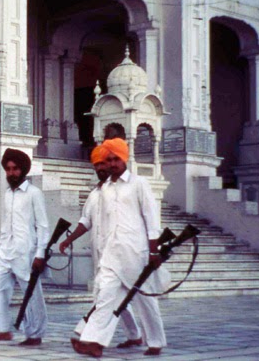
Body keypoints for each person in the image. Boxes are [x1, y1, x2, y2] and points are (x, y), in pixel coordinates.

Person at [69, 138, 169, 358]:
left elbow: (152, 220)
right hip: (111, 255)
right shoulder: (104, 189)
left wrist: (154, 251)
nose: (113, 163)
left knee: (146, 300)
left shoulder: (138, 184)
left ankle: (156, 341)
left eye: (116, 159)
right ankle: (92, 342)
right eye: (109, 159)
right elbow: (97, 222)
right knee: (104, 296)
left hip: (136, 254)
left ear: (124, 158)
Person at [59, 145, 142, 348]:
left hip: (121, 252)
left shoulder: (126, 190)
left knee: (107, 295)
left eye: (103, 163)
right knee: (114, 296)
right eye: (96, 165)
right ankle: (134, 336)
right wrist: (68, 240)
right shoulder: (95, 193)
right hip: (100, 253)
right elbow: (85, 221)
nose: (100, 168)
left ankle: (88, 335)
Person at [0, 148, 49, 346]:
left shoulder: (34, 193)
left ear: (23, 170)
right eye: (8, 169)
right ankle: (4, 329)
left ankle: (35, 334)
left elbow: (43, 225)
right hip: (5, 250)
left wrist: (40, 254)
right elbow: (6, 224)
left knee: (31, 293)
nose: (11, 173)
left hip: (26, 251)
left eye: (15, 169)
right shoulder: (7, 194)